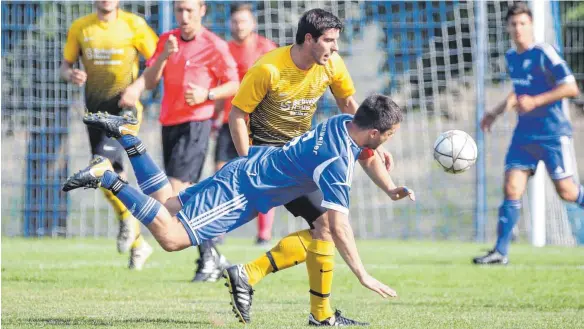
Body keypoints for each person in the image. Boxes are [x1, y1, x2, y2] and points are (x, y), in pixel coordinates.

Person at [63, 94, 414, 326]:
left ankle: (130, 140)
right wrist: (362, 275)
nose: (390, 140)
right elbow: (340, 227)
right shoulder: (337, 161)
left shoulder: (343, 122)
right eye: (390, 134)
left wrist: (389, 186)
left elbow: (366, 152)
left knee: (166, 203)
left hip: (243, 173)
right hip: (240, 192)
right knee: (170, 237)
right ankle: (107, 177)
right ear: (374, 132)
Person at [227, 8, 393, 325]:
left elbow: (348, 106)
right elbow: (238, 114)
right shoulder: (269, 69)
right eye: (329, 41)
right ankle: (312, 311)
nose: (335, 48)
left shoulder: (331, 65)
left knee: (325, 230)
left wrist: (373, 141)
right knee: (328, 227)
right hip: (271, 160)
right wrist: (248, 160)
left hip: (302, 158)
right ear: (308, 39)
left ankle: (252, 276)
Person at [473, 2, 582, 265]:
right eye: (513, 24)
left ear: (531, 25)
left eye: (523, 23)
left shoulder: (545, 53)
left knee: (567, 192)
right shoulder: (512, 57)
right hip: (525, 136)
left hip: (553, 134)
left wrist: (536, 101)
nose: (518, 28)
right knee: (511, 187)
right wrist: (495, 112)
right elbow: (519, 91)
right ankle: (500, 251)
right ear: (507, 27)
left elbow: (571, 87)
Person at [140, 0, 239, 281]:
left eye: (189, 11)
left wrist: (207, 95)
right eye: (179, 10)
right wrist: (163, 57)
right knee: (184, 196)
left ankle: (210, 256)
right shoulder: (166, 40)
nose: (184, 16)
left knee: (174, 193)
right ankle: (212, 256)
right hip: (168, 123)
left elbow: (235, 84)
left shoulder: (214, 45)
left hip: (196, 124)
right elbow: (148, 82)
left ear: (202, 11)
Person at [60, 0, 158, 269]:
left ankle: (129, 221)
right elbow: (65, 66)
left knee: (101, 168)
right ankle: (138, 243)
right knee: (110, 176)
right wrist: (72, 75)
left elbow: (158, 60)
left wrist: (137, 87)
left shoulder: (134, 25)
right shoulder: (81, 27)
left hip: (124, 113)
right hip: (95, 114)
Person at [213, 3, 277, 246]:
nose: (239, 25)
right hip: (230, 122)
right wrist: (215, 117)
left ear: (253, 23)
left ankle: (264, 234)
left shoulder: (266, 49)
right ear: (230, 24)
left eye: (244, 21)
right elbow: (222, 86)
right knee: (221, 174)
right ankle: (217, 228)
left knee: (262, 176)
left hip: (258, 124)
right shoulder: (225, 50)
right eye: (235, 21)